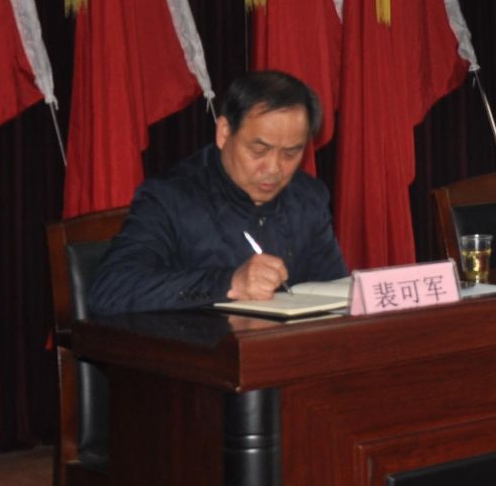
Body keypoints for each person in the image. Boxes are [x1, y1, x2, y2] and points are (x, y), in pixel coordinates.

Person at [88, 71, 347, 315]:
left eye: (290, 153)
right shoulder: (171, 197)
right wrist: (228, 282)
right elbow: (109, 289)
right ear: (224, 133)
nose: (273, 168)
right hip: (202, 344)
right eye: (259, 151)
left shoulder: (307, 196)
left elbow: (332, 288)